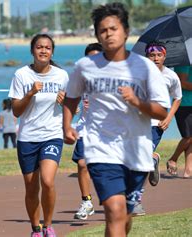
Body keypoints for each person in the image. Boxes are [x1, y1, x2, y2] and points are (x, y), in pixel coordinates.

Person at [63, 3, 170, 236]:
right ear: (97, 36)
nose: (108, 34)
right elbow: (71, 99)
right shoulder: (85, 67)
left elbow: (162, 111)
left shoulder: (144, 68)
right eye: (103, 30)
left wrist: (137, 102)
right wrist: (67, 126)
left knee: (125, 215)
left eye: (113, 28)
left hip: (136, 150)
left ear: (126, 32)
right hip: (101, 150)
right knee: (114, 210)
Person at [9, 34, 69, 237]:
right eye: (39, 47)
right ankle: (35, 229)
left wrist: (66, 103)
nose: (43, 51)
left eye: (47, 48)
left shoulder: (61, 75)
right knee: (31, 187)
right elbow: (16, 111)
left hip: (52, 135)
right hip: (27, 138)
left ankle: (48, 226)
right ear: (32, 50)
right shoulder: (21, 75)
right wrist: (29, 94)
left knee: (48, 180)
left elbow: (72, 107)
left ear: (52, 52)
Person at [130, 41, 184, 216]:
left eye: (159, 55)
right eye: (152, 55)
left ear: (164, 56)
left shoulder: (171, 76)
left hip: (156, 125)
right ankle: (153, 160)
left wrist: (169, 118)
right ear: (147, 56)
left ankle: (136, 201)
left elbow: (177, 98)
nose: (155, 58)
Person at [71, 42, 102, 221]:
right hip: (85, 129)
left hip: (108, 131)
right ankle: (86, 201)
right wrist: (72, 110)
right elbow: (72, 101)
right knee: (82, 164)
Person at [166, 65, 192, 178]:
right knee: (188, 137)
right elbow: (182, 83)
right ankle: (173, 159)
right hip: (184, 105)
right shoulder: (184, 63)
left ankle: (188, 170)